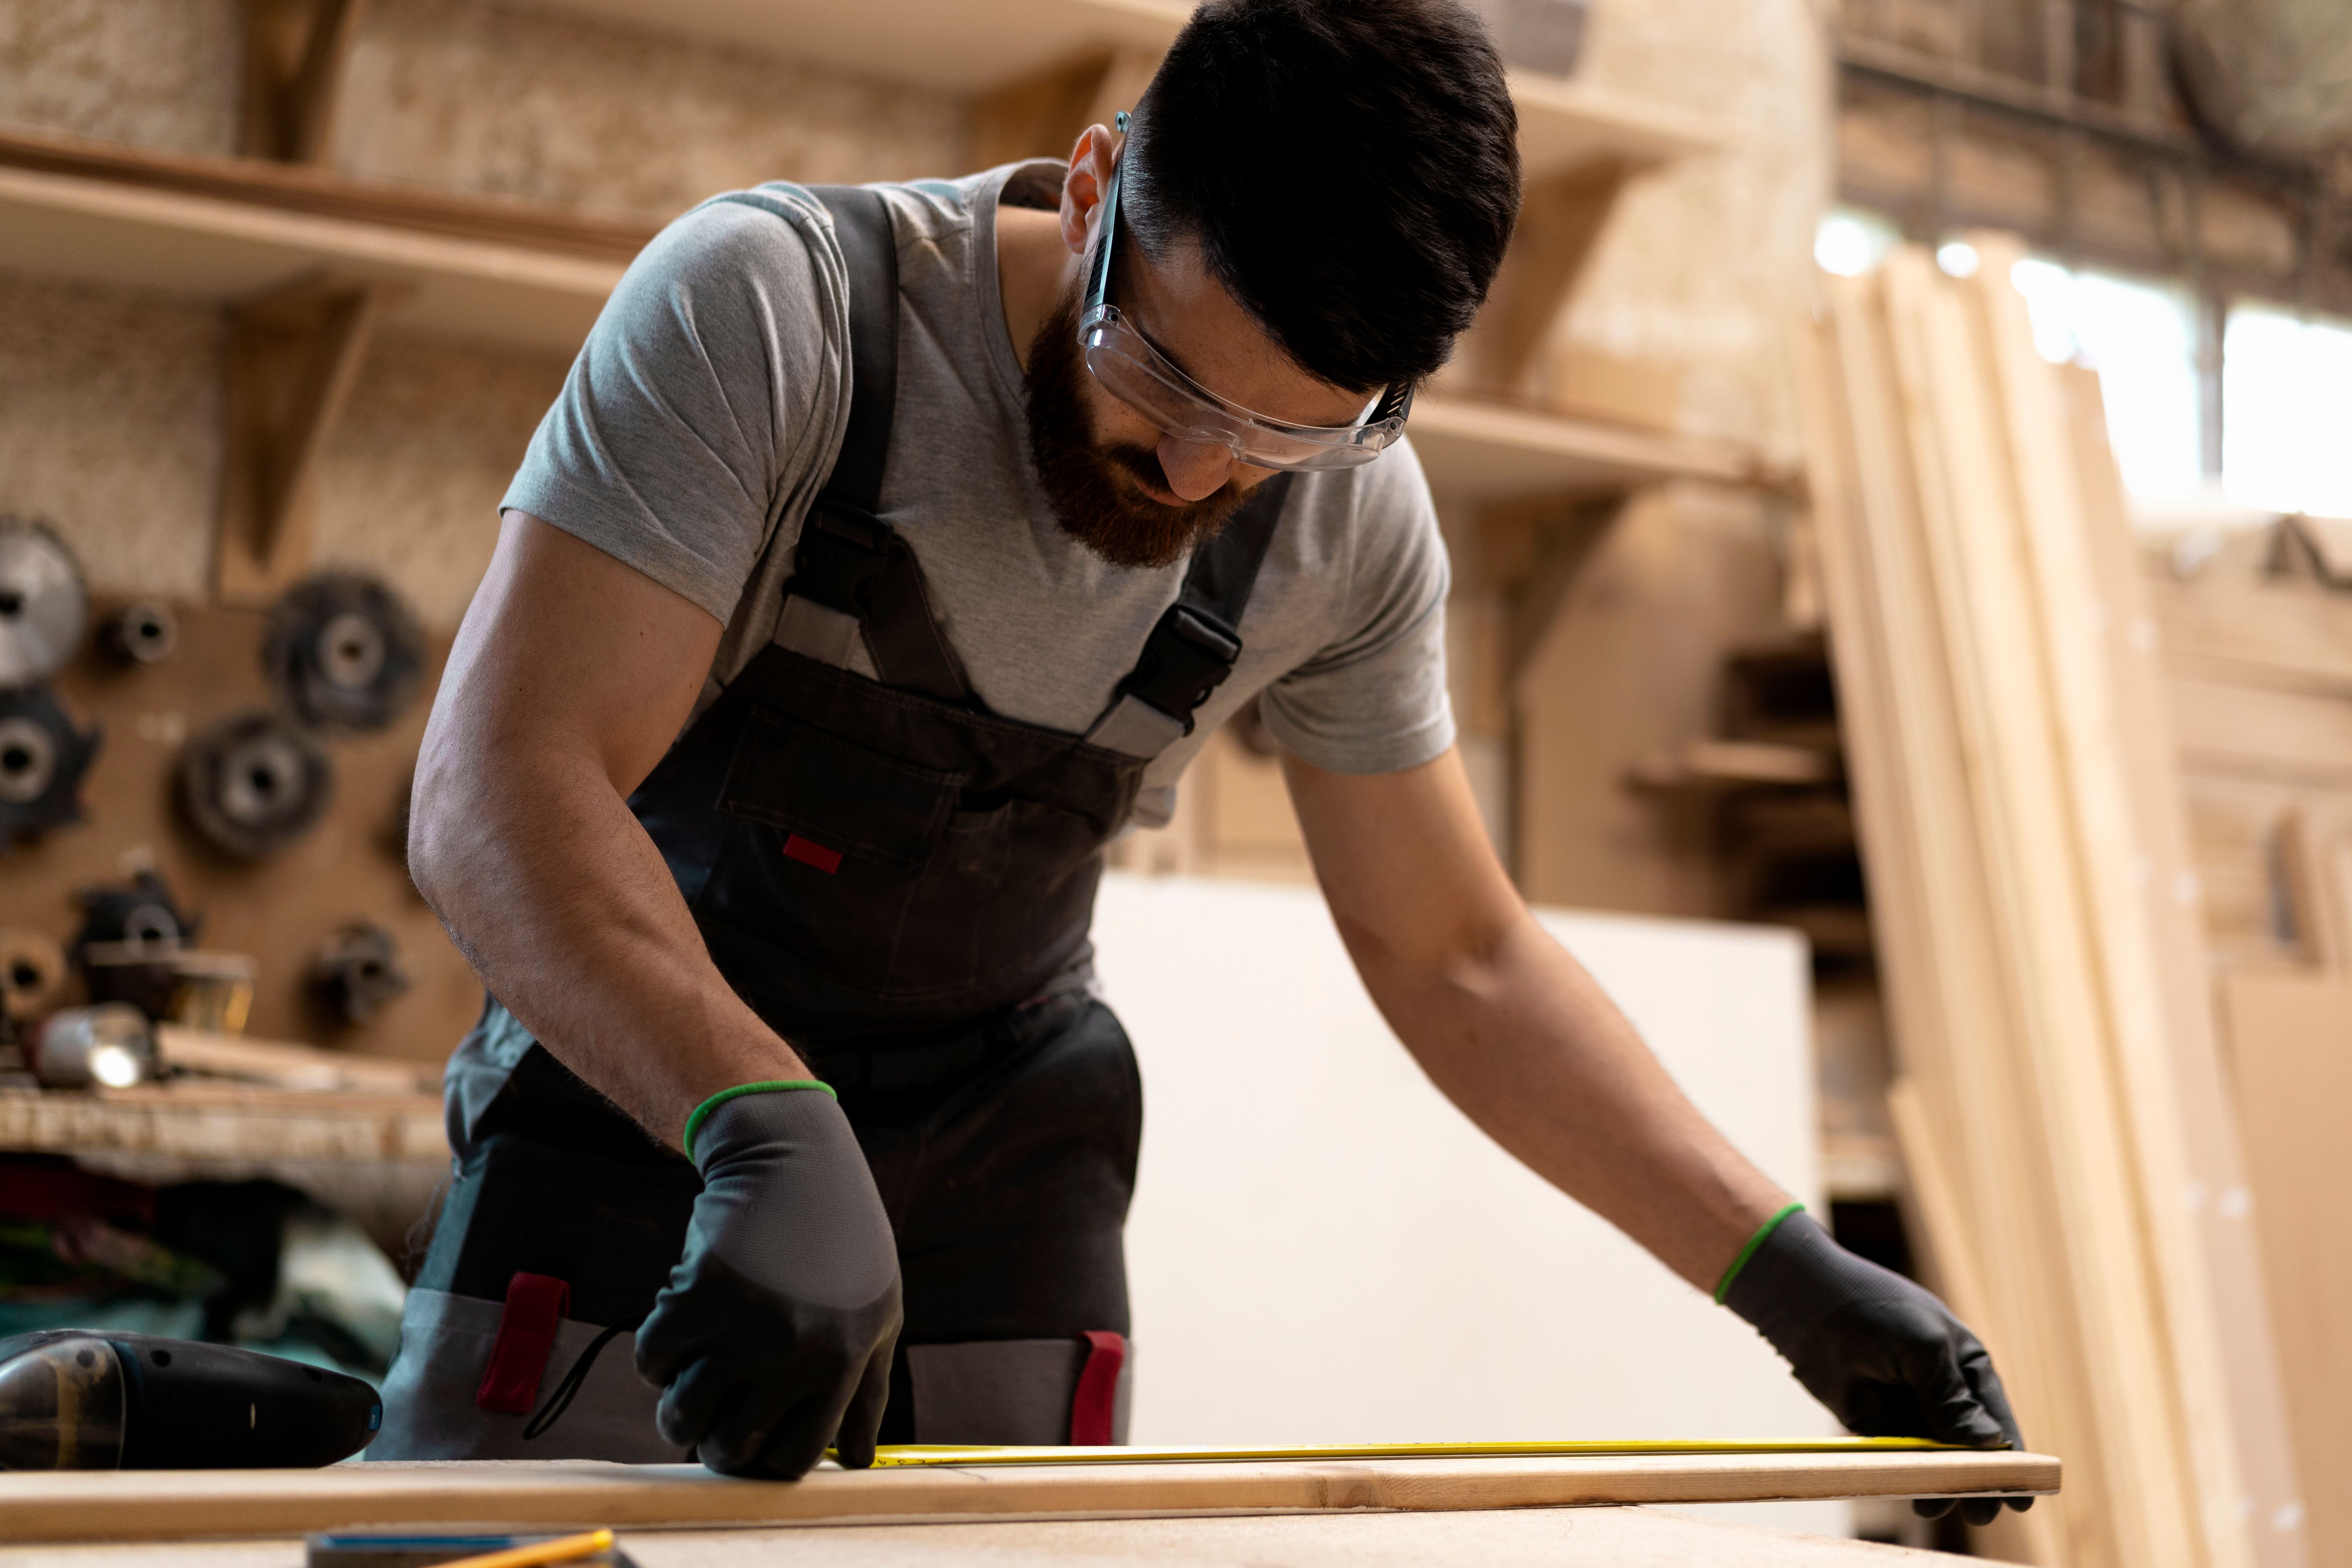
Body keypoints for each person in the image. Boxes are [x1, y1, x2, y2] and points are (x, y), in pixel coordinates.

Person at [371, 0, 2028, 1526]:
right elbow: (499, 784)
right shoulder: (778, 311)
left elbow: (1459, 952)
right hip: (644, 1107)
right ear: (1093, 191)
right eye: (1162, 370)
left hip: (1004, 1154)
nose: (1196, 466)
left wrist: (1787, 1273)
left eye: (1292, 431)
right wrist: (756, 1122)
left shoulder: (1351, 516)